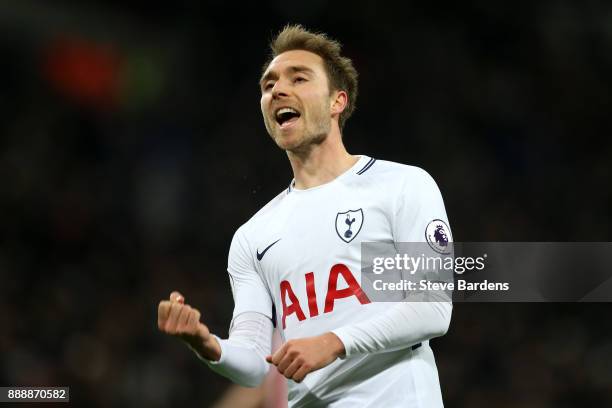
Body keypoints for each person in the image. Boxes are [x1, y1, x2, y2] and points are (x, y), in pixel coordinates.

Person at [158, 24, 452, 407]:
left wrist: (334, 342)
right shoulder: (254, 237)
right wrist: (209, 345)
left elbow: (431, 308)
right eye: (268, 85)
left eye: (299, 78)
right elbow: (254, 361)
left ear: (337, 102)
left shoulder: (401, 186)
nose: (278, 90)